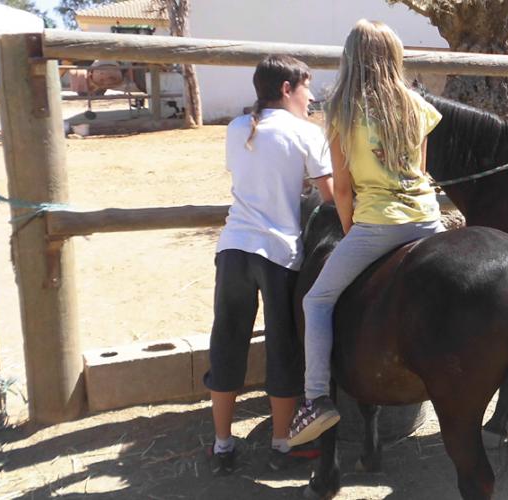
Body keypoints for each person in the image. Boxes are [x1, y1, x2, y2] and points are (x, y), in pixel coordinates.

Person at [287, 19, 445, 447]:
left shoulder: (341, 109)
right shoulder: (416, 105)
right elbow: (422, 173)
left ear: (350, 58)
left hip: (378, 224)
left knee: (316, 301)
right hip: (429, 219)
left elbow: (341, 187)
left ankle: (316, 398)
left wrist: (351, 231)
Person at [206, 55, 334, 475]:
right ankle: (282, 443)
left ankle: (222, 443)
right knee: (283, 347)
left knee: (227, 340)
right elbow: (330, 198)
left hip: (233, 248)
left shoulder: (237, 127)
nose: (312, 96)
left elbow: (251, 176)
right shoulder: (307, 134)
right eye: (307, 87)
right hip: (280, 255)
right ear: (287, 89)